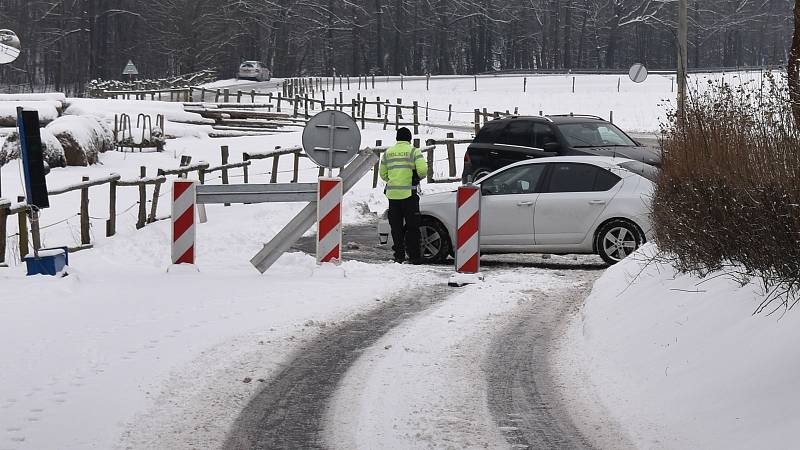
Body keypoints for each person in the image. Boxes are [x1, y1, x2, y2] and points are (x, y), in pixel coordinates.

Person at [379, 127, 428, 264]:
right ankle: (414, 256)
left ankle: (399, 255)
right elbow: (423, 170)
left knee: (396, 228)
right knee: (412, 227)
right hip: (409, 194)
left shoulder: (388, 152)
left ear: (397, 138)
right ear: (409, 138)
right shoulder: (413, 151)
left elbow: (382, 174)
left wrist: (393, 179)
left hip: (393, 195)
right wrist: (416, 177)